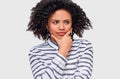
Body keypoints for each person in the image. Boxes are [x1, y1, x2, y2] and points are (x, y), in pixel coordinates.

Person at [27, 0, 93, 79]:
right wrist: (63, 50)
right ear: (46, 25)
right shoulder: (36, 52)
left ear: (73, 23)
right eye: (55, 22)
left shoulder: (84, 47)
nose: (61, 27)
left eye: (66, 22)